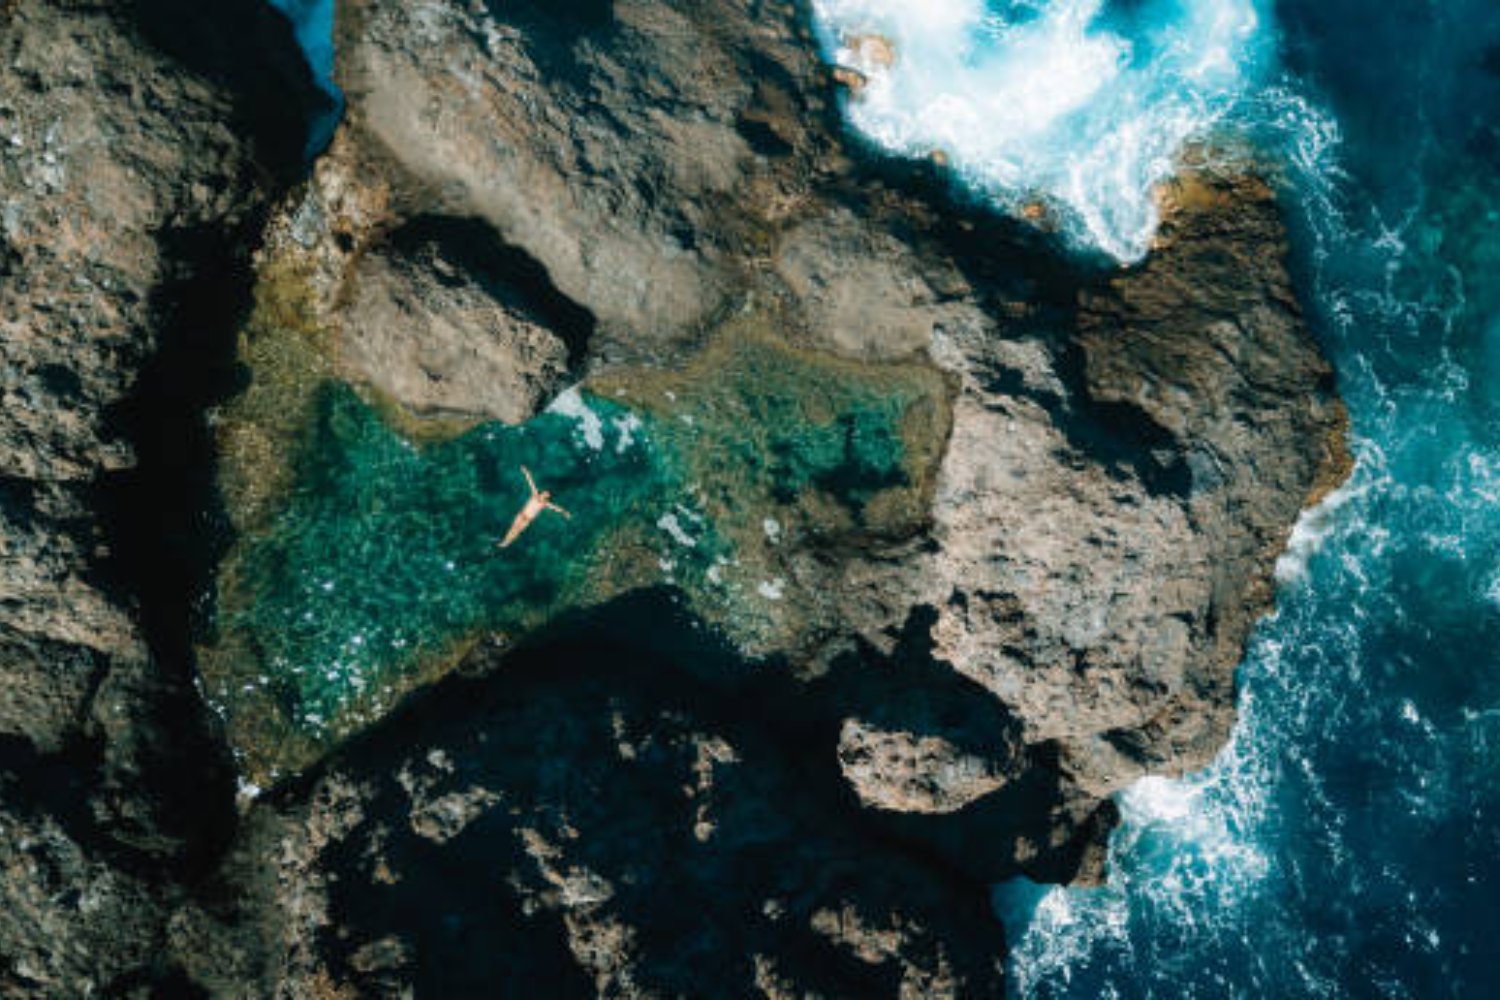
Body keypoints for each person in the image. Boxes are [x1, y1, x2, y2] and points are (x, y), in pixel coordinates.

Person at [497, 465, 570, 548]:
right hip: (522, 514)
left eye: (546, 495)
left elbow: (556, 508)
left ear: (547, 497)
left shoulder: (545, 504)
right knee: (513, 528)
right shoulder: (535, 495)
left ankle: (507, 542)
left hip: (528, 520)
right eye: (544, 493)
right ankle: (505, 540)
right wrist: (525, 472)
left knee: (518, 531)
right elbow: (530, 481)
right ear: (542, 493)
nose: (544, 495)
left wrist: (565, 513)